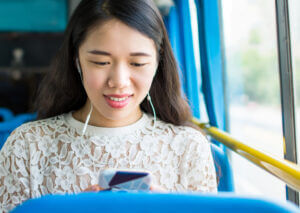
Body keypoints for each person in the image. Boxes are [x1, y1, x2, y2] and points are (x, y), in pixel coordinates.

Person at [0, 0, 217, 212]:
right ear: (77, 61)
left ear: (158, 63)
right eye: (101, 62)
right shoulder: (26, 147)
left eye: (138, 63)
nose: (119, 81)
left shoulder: (189, 149)